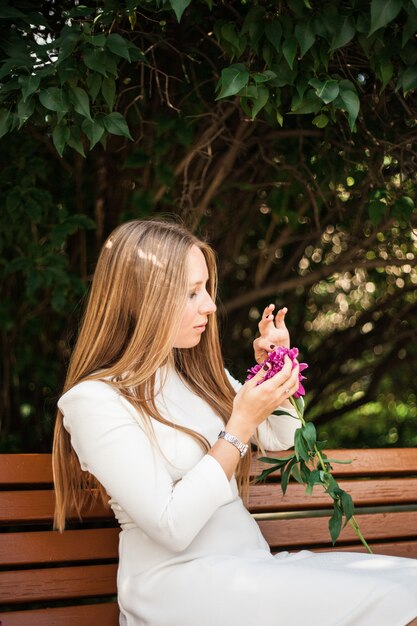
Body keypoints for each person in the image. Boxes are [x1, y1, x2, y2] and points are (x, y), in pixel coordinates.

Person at [53, 219, 417, 626]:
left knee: (411, 584)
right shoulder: (95, 401)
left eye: (206, 288)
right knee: (394, 598)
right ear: (142, 300)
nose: (209, 304)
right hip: (181, 590)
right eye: (191, 292)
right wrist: (239, 425)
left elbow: (281, 438)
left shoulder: (198, 377)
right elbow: (171, 526)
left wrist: (277, 372)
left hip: (250, 569)